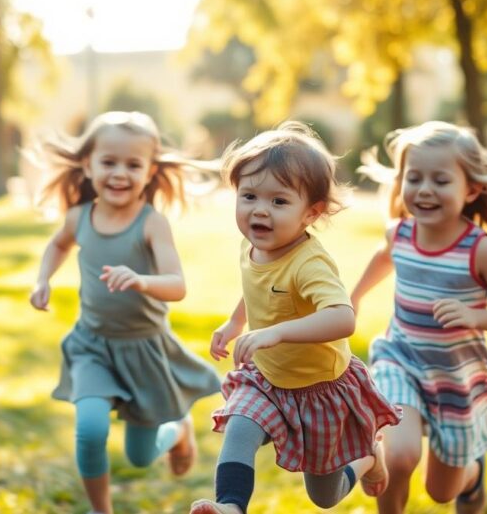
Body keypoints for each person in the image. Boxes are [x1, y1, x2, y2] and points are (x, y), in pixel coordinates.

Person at [190, 121, 401, 514]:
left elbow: (342, 318)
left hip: (319, 390)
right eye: (249, 195)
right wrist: (235, 323)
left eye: (279, 202)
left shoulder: (310, 264)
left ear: (311, 213)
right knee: (240, 424)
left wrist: (274, 334)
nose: (260, 211)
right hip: (268, 379)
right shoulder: (252, 245)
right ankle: (231, 507)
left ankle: (371, 455)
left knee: (325, 497)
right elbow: (258, 286)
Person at [29, 111, 221, 514]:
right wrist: (43, 279)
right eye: (109, 162)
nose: (120, 173)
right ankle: (103, 510)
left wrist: (141, 279)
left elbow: (178, 285)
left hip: (143, 351)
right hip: (92, 345)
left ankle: (179, 430)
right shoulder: (79, 216)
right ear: (88, 164)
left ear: (150, 171)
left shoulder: (152, 224)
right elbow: (58, 244)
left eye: (133, 164)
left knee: (139, 455)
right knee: (91, 429)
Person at [352, 121, 487, 514]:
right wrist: (354, 297)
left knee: (441, 491)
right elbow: (384, 259)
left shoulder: (479, 250)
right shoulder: (399, 233)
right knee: (398, 456)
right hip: (399, 358)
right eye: (414, 178)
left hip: (456, 378)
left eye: (440, 180)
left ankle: (472, 476)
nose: (423, 190)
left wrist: (474, 316)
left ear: (471, 189)